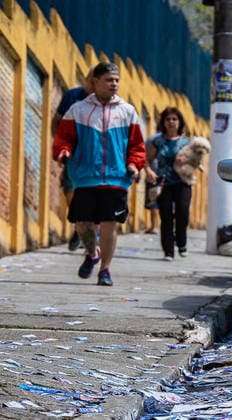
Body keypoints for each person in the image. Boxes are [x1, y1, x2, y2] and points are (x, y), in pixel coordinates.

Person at [52, 62, 145, 286]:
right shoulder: (78, 110)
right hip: (84, 176)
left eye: (116, 80)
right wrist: (63, 151)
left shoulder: (128, 111)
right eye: (108, 80)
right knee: (82, 224)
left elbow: (136, 146)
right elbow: (64, 138)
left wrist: (134, 164)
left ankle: (105, 270)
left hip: (116, 178)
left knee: (109, 223)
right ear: (95, 82)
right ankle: (92, 253)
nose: (114, 84)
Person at [51, 70, 94, 251]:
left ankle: (84, 232)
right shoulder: (72, 96)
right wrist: (60, 145)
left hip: (94, 156)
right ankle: (79, 224)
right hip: (72, 153)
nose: (92, 84)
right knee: (70, 192)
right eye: (91, 80)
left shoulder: (107, 101)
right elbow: (57, 120)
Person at [144, 107, 192, 261]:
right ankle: (168, 251)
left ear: (180, 122)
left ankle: (182, 242)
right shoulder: (157, 141)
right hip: (163, 182)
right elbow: (147, 159)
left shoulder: (187, 142)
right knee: (165, 216)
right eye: (168, 119)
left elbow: (197, 162)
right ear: (163, 122)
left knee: (182, 213)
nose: (171, 122)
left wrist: (187, 160)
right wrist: (149, 172)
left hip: (183, 181)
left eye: (174, 119)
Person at [143, 135, 161, 234]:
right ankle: (154, 226)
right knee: (154, 202)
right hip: (158, 176)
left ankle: (154, 226)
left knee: (153, 202)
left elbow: (144, 157)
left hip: (153, 176)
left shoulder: (152, 139)